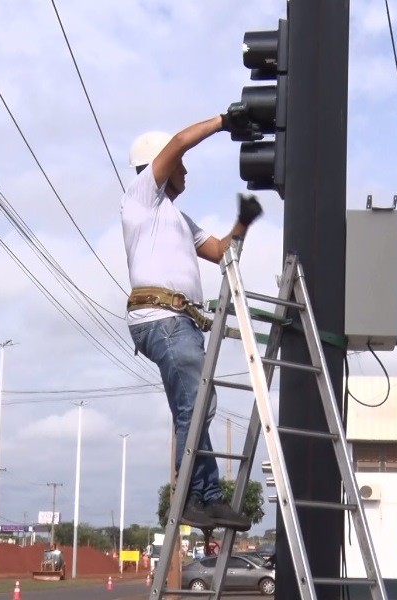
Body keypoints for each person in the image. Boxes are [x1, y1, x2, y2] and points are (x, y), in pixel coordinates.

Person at [121, 111, 264, 532]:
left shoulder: (178, 220)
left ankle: (208, 499)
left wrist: (244, 221)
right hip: (162, 318)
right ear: (157, 165)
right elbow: (181, 141)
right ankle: (189, 498)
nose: (185, 172)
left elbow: (221, 251)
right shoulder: (141, 196)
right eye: (178, 166)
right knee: (198, 406)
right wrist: (224, 121)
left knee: (196, 407)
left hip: (179, 323)